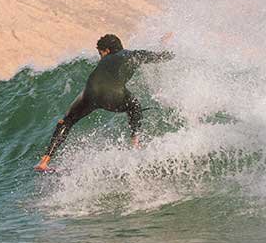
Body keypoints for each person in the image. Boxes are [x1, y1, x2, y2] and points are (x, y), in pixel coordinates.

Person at [34, 33, 173, 171]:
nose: (100, 57)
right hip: (113, 93)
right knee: (134, 105)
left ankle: (44, 162)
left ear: (107, 50)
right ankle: (135, 146)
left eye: (100, 54)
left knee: (67, 121)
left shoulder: (107, 59)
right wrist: (164, 45)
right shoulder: (134, 55)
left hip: (90, 91)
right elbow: (162, 57)